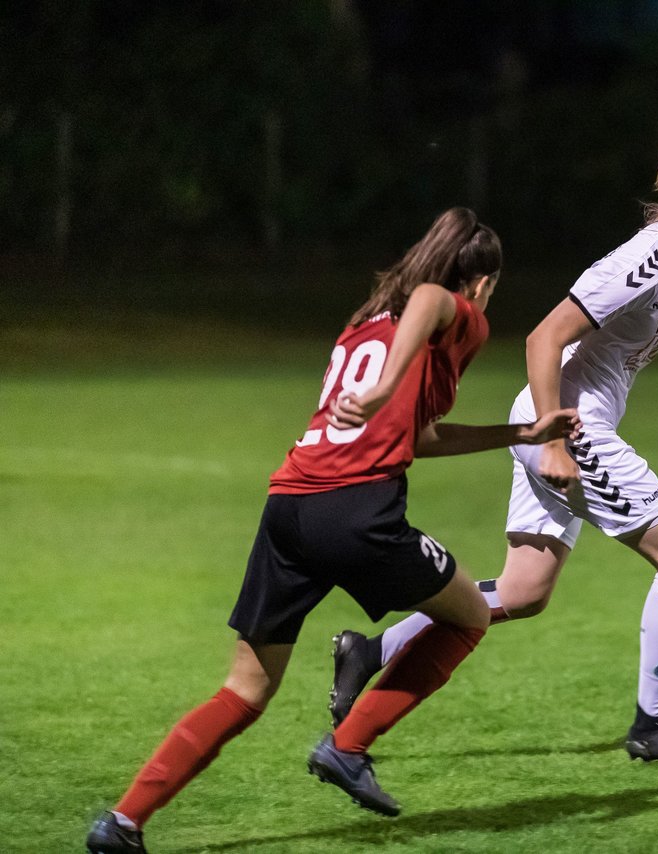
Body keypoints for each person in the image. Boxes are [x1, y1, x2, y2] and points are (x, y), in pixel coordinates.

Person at [86, 208, 578, 854]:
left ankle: (122, 823)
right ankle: (349, 746)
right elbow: (433, 300)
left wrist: (517, 434)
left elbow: (420, 438)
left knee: (246, 689)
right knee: (470, 616)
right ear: (480, 281)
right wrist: (381, 392)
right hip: (356, 511)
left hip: (289, 507)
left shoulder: (363, 325)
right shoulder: (457, 310)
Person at [324, 145, 658, 767]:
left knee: (523, 590)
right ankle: (652, 725)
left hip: (557, 423)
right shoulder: (646, 259)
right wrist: (550, 440)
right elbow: (544, 336)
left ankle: (372, 651)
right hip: (569, 426)